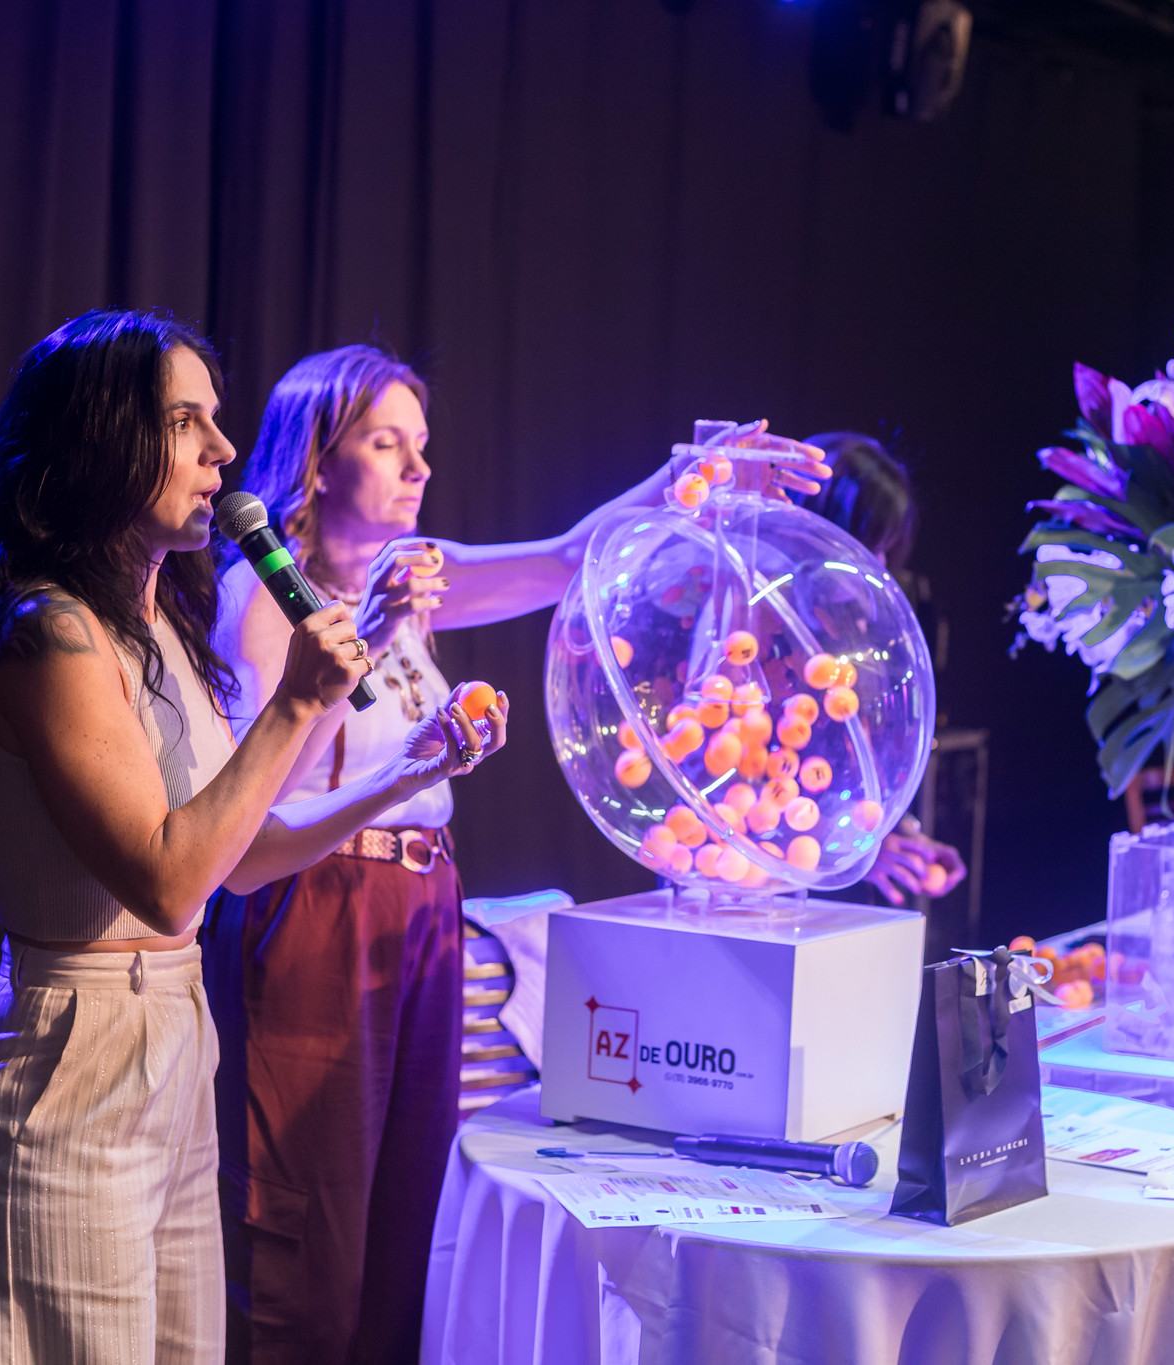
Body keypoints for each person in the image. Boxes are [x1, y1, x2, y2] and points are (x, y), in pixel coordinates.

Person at [205, 344, 828, 1363]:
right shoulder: (262, 595)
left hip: (419, 901)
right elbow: (258, 803)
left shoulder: (407, 573)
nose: (418, 467)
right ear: (316, 460)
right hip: (315, 900)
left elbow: (568, 558)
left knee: (409, 1205)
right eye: (386, 443)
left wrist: (686, 480)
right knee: (308, 1220)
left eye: (421, 443)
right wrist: (371, 636)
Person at [0, 311, 505, 1364]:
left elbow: (244, 855)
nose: (223, 451)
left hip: (175, 1040)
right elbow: (168, 881)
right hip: (70, 1059)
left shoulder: (160, 631)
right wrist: (296, 703)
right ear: (102, 440)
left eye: (215, 421)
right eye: (184, 422)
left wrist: (415, 769)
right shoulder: (46, 633)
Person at [797, 431, 968, 907]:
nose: (877, 566)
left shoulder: (852, 627)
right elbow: (750, 785)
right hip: (757, 897)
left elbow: (852, 769)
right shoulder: (761, 623)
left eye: (886, 549)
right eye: (866, 543)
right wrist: (857, 850)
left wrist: (902, 833)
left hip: (829, 902)